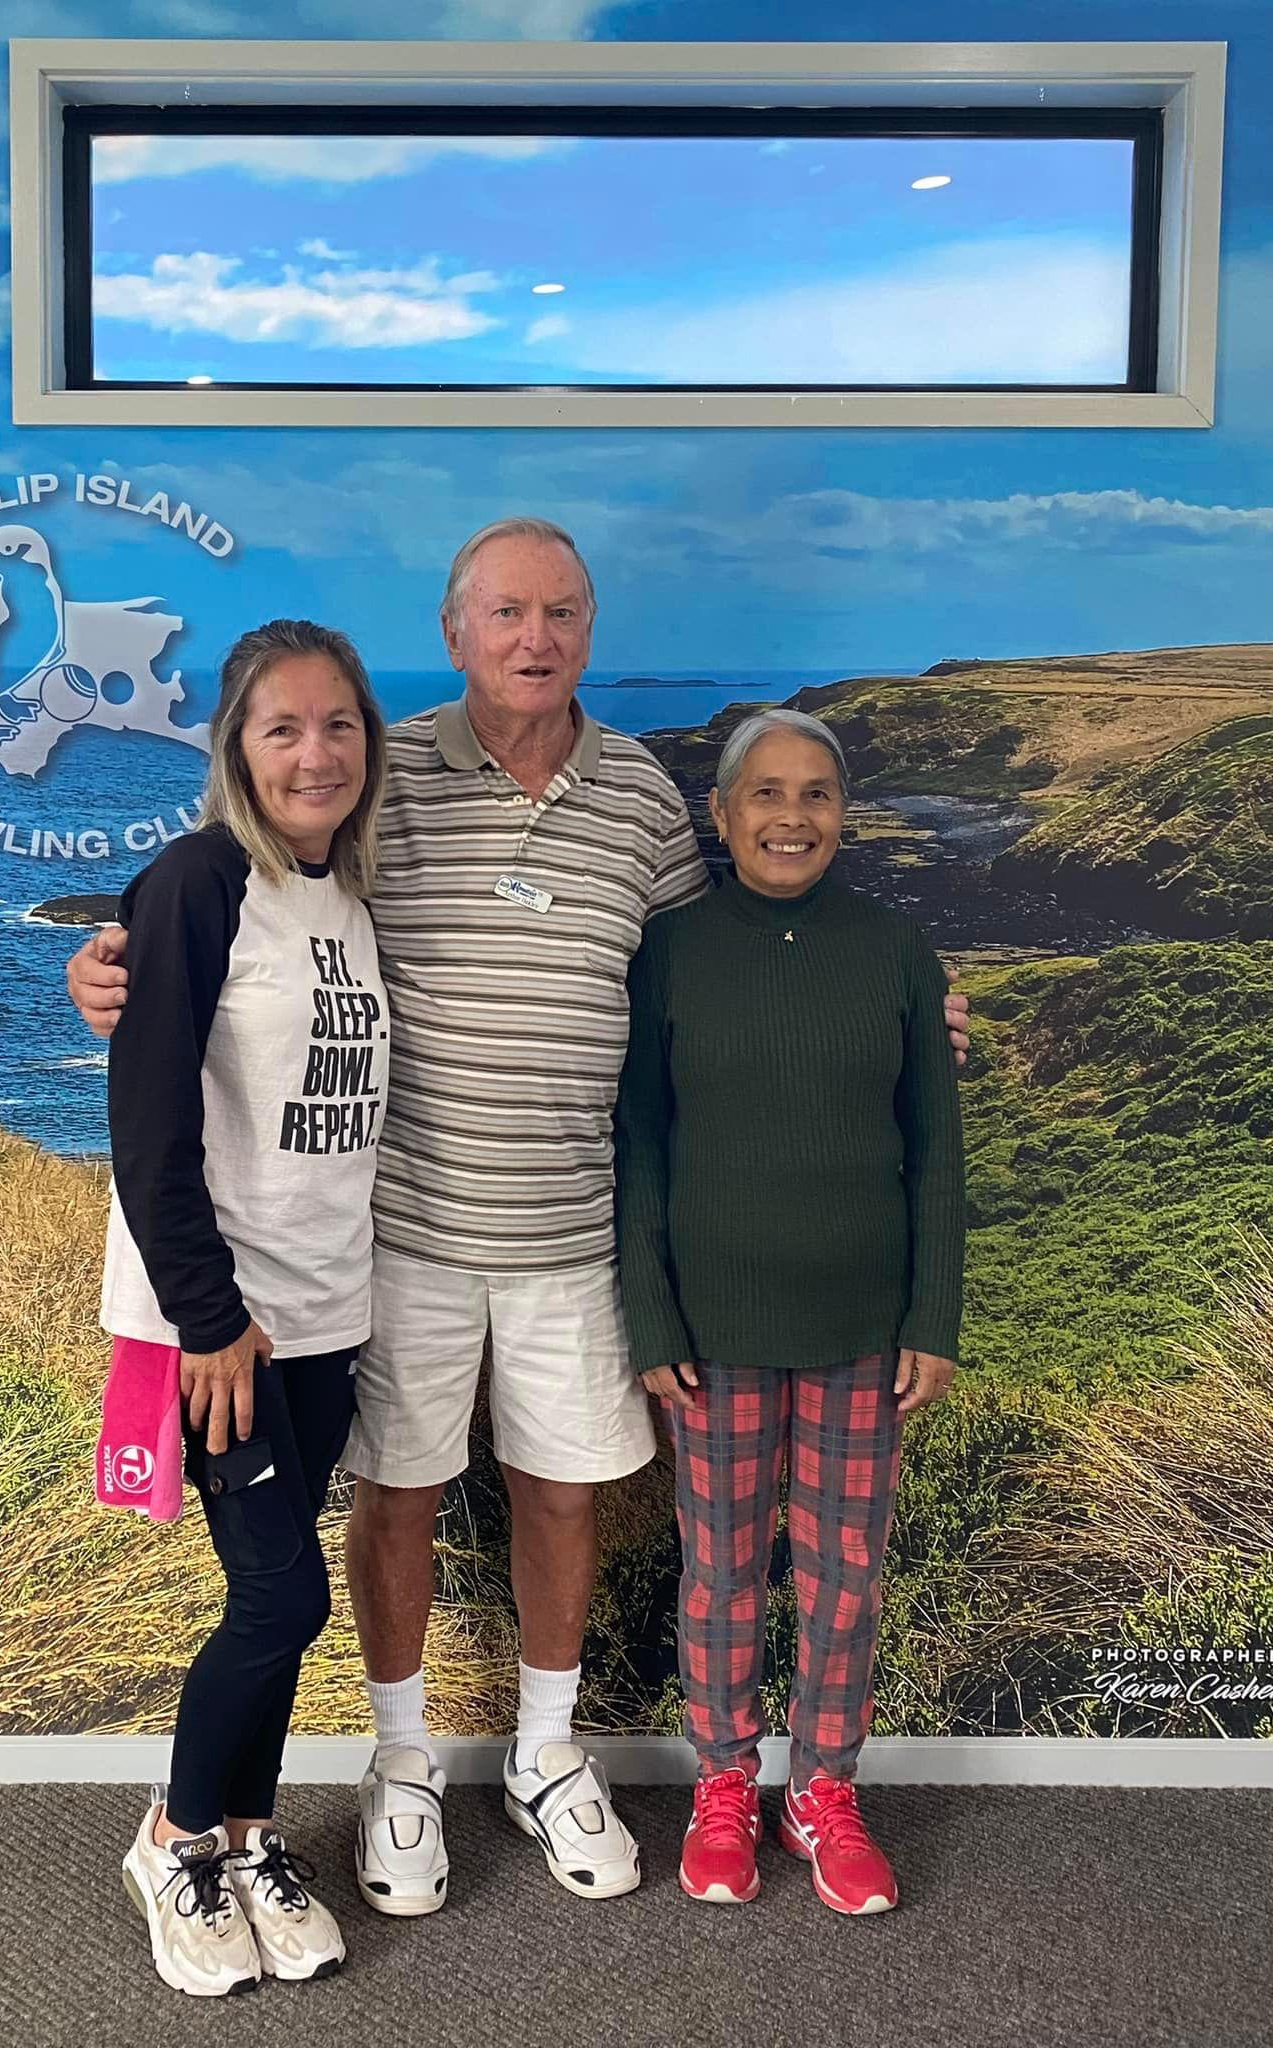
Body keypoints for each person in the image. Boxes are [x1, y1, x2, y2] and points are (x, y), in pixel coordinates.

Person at [69, 520, 973, 1916]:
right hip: (406, 1231)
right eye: (506, 613)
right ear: (455, 632)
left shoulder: (642, 797)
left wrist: (903, 1012)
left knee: (563, 1494)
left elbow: (711, 963)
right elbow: (252, 898)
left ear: (589, 634)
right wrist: (116, 966)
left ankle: (547, 1757)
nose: (534, 638)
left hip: (575, 1235)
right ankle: (405, 1766)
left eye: (561, 613)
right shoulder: (380, 776)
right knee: (401, 1497)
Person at [614, 707, 965, 1917]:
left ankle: (821, 1789)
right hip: (711, 1334)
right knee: (716, 1571)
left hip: (864, 1325)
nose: (790, 816)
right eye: (764, 793)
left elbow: (934, 1147)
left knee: (843, 1577)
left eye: (815, 794)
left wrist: (932, 1312)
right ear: (719, 816)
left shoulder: (894, 949)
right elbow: (640, 1151)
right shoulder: (669, 951)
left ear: (841, 815)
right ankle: (724, 1781)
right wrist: (651, 1318)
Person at [105, 618, 388, 1994]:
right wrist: (207, 1317)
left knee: (268, 1600)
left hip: (333, 1313)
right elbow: (148, 1124)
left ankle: (255, 1833)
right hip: (230, 1325)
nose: (315, 752)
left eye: (338, 725)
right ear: (236, 747)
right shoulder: (198, 883)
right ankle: (174, 1837)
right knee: (282, 1597)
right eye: (284, 728)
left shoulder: (352, 894)